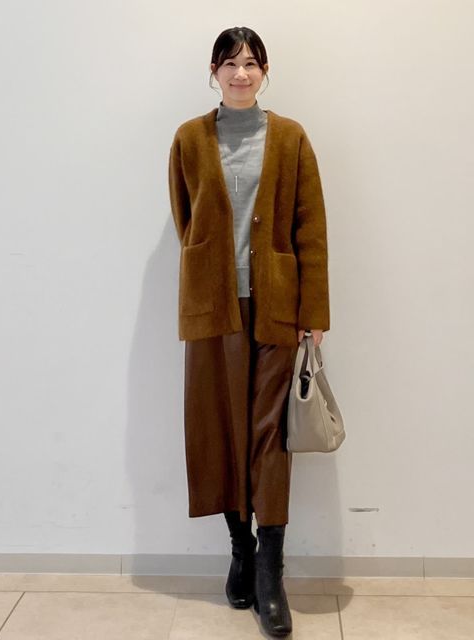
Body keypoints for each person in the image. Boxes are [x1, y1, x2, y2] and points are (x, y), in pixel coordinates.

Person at [168, 26, 330, 639]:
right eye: (230, 63)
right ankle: (240, 548)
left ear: (265, 71)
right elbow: (185, 218)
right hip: (213, 305)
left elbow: (311, 227)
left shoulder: (290, 137)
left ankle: (270, 571)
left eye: (251, 63)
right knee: (220, 428)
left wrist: (314, 311)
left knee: (270, 436)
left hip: (277, 305)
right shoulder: (189, 139)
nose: (241, 74)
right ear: (213, 71)